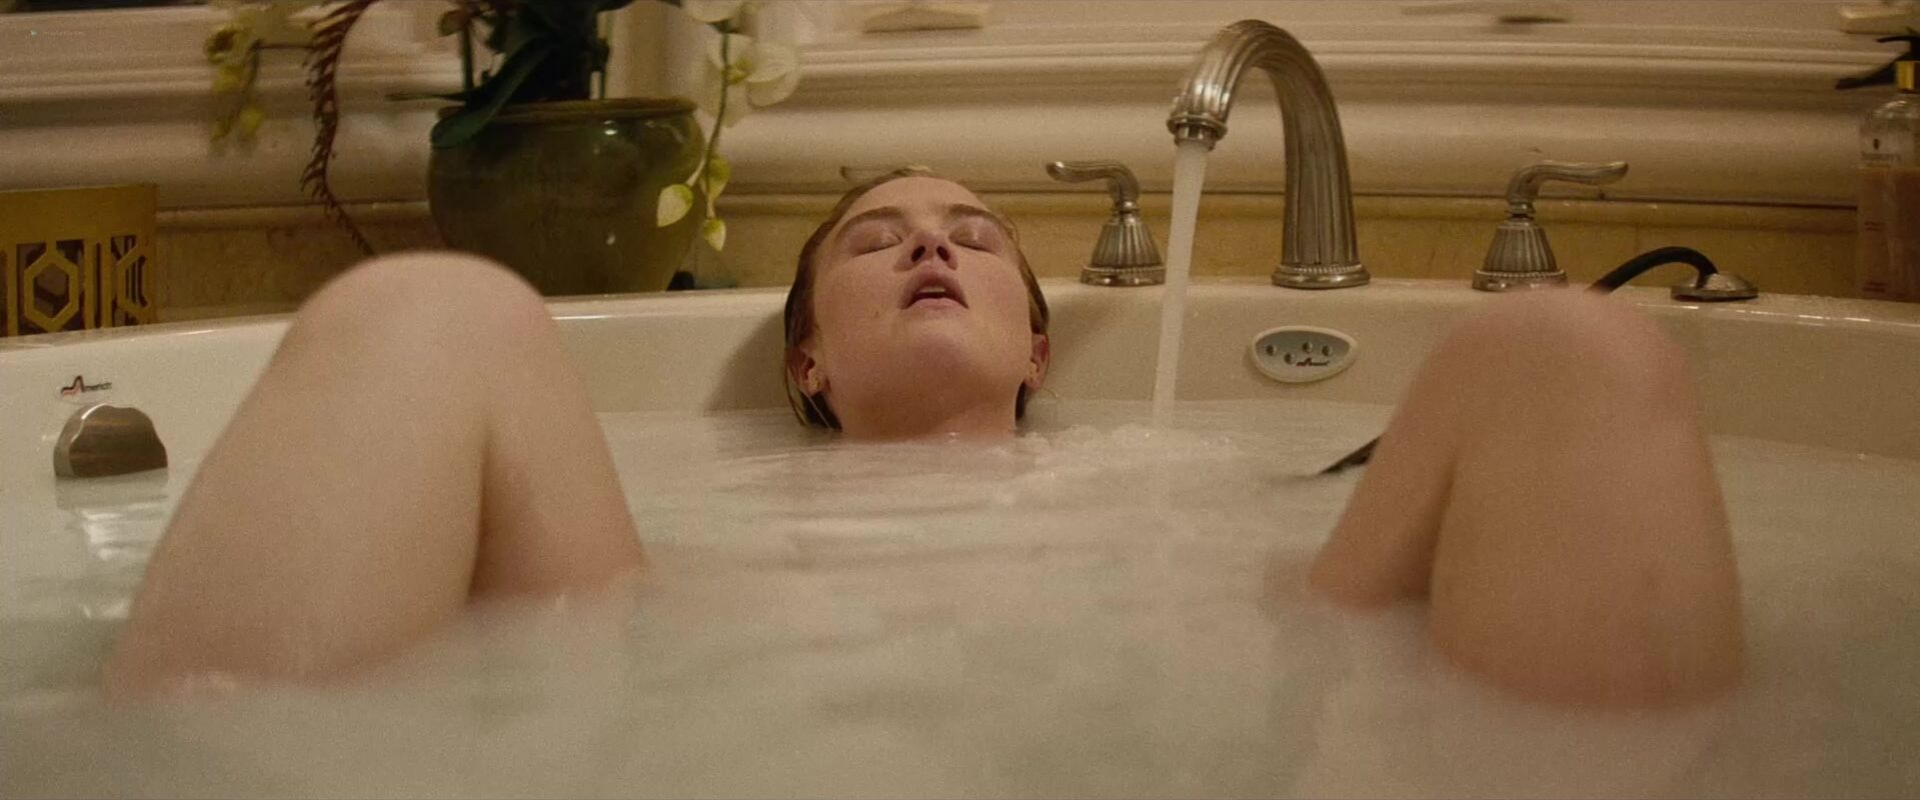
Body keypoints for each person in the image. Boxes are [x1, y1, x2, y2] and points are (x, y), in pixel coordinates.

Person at [104, 169, 1743, 711]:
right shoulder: (700, 510)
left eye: (973, 236)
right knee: (430, 307)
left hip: (1248, 668)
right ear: (808, 362)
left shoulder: (1174, 477)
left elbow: (1306, 626)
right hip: (682, 683)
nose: (934, 246)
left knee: (1570, 346)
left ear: (1038, 347)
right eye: (878, 241)